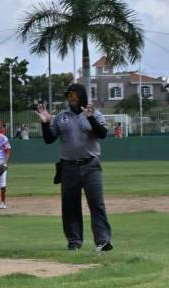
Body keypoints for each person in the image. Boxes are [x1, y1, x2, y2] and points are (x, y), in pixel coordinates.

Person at [36, 84, 112, 252]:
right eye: (69, 96)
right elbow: (49, 139)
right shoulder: (62, 117)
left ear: (82, 96)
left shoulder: (95, 114)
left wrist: (90, 118)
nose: (71, 100)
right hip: (68, 166)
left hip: (91, 165)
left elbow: (102, 134)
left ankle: (102, 242)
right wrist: (46, 123)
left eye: (74, 96)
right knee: (70, 205)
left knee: (96, 204)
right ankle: (74, 242)